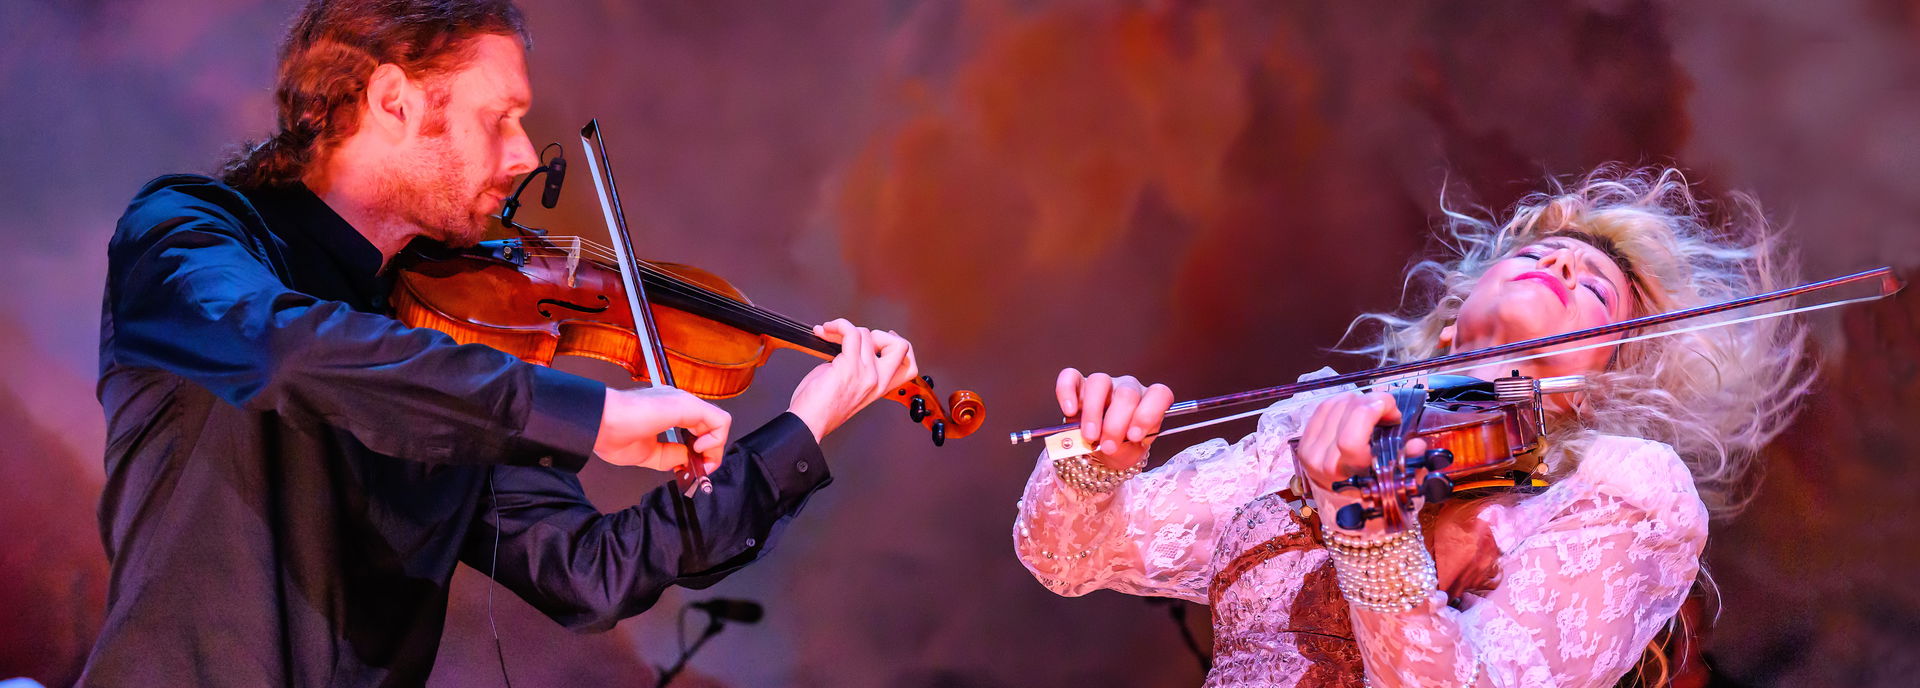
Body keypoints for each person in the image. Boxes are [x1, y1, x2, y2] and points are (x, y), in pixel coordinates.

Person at [84, 1, 915, 685]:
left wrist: (801, 431)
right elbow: (282, 352)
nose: (522, 155)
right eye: (501, 118)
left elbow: (592, 571)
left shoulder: (460, 343)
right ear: (392, 100)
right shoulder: (190, 233)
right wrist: (589, 414)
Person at [1013, 166, 1810, 686]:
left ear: (1590, 390)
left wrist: (1370, 533)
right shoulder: (1316, 424)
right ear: (1457, 315)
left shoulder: (1613, 485)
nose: (1563, 265)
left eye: (1598, 292)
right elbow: (1068, 556)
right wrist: (1097, 461)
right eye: (1540, 255)